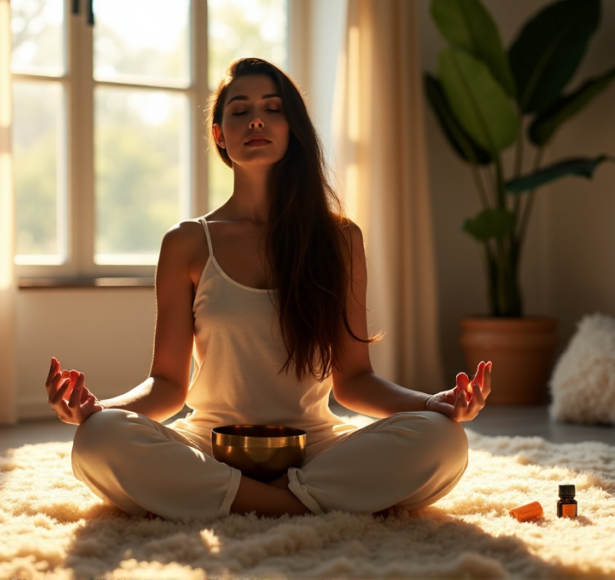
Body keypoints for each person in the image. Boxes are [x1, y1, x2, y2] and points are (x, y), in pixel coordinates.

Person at [46, 57, 491, 519]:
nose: (256, 119)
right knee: (99, 438)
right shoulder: (186, 243)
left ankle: (233, 500)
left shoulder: (340, 239)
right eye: (239, 111)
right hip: (209, 446)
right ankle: (295, 503)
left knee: (444, 439)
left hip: (314, 448)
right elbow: (167, 385)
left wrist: (433, 404)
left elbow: (355, 381)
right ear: (219, 134)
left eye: (272, 108)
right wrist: (97, 409)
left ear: (292, 127)